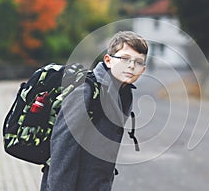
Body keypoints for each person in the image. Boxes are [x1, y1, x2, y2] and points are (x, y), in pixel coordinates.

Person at [40, 31, 148, 191]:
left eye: (138, 62)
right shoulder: (86, 90)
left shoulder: (123, 94)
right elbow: (62, 147)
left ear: (143, 69)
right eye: (125, 59)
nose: (131, 66)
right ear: (108, 60)